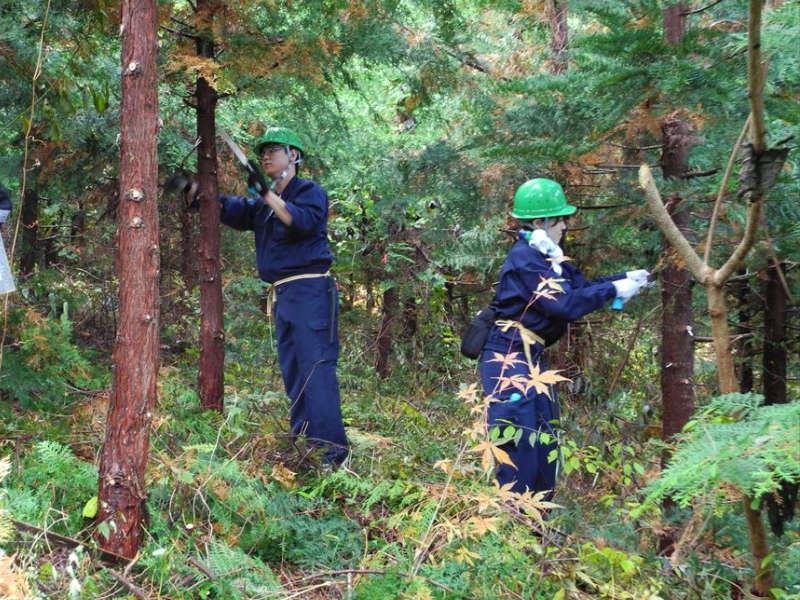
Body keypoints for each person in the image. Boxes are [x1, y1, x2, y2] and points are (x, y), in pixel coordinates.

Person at [479, 178, 648, 499]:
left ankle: (537, 524)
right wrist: (612, 291)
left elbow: (578, 289)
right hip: (508, 358)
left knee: (545, 437)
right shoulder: (525, 257)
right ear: (541, 222)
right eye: (560, 219)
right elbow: (562, 305)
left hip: (530, 358)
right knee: (518, 443)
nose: (566, 225)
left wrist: (622, 280)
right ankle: (514, 522)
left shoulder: (549, 257)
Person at [218, 126, 348, 467]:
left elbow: (298, 220)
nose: (266, 156)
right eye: (263, 151)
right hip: (284, 296)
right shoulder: (265, 204)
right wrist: (197, 192)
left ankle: (331, 456)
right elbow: (237, 210)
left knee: (315, 369)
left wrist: (267, 195)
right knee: (293, 370)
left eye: (274, 149)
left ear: (294, 155)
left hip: (311, 293)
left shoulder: (310, 192)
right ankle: (303, 444)